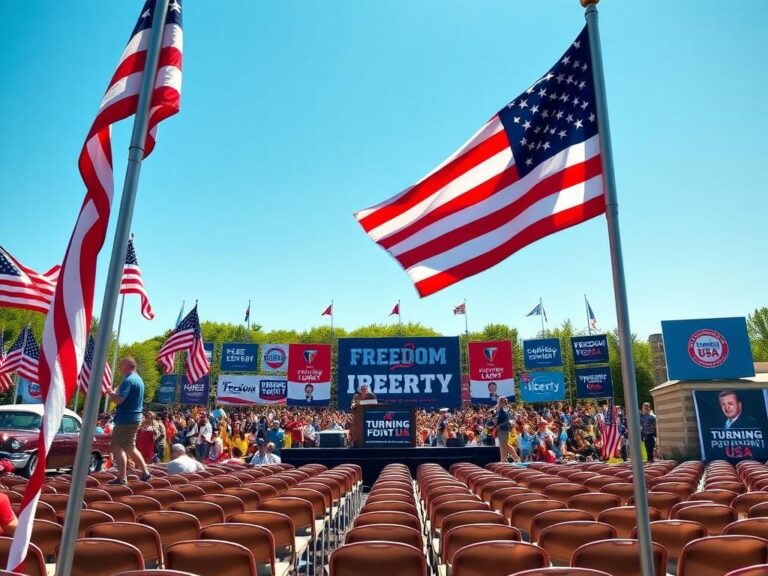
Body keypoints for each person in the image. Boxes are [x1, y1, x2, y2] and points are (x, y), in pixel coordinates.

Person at [107, 357, 151, 484]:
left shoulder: (128, 380)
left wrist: (110, 393)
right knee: (129, 447)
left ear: (130, 366)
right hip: (135, 418)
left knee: (116, 446)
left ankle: (122, 477)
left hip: (125, 419)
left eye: (122, 364)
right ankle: (145, 472)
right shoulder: (138, 380)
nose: (119, 367)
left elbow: (119, 400)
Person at [495, 397, 512, 462]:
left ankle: (503, 462)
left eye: (502, 401)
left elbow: (507, 421)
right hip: (500, 430)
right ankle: (515, 458)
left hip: (504, 430)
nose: (500, 403)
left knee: (503, 446)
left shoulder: (505, 410)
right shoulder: (499, 410)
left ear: (505, 403)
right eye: (499, 401)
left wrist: (499, 425)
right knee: (503, 446)